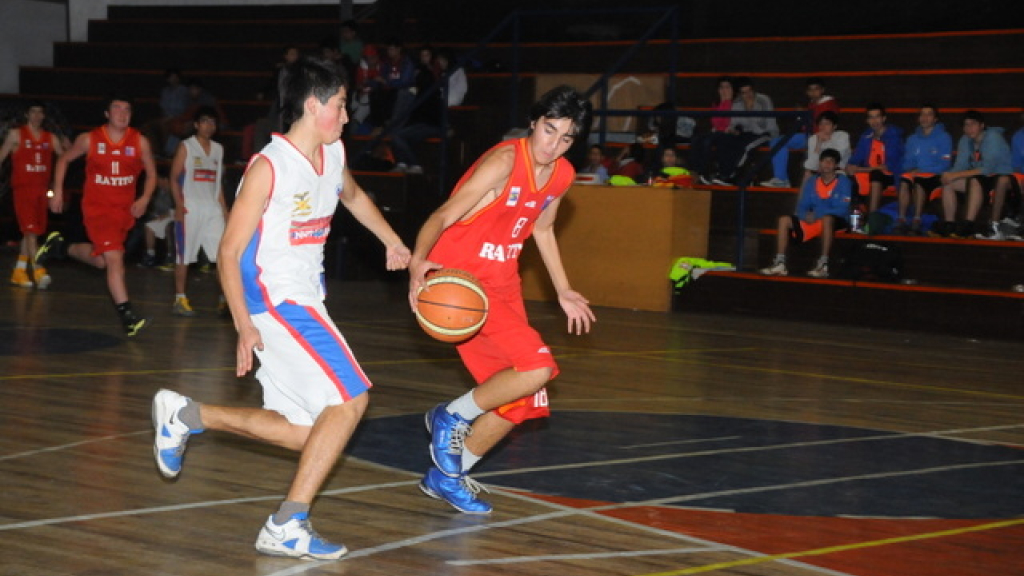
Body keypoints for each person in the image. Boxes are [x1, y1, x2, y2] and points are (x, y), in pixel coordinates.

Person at [151, 56, 411, 559]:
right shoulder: (270, 166)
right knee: (352, 400)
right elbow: (229, 250)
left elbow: (354, 197)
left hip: (306, 299)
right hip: (276, 301)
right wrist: (244, 326)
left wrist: (392, 242)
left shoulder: (332, 153)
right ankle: (287, 523)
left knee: (312, 434)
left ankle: (185, 414)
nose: (346, 114)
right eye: (340, 104)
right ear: (315, 105)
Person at [407, 85, 596, 514]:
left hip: (504, 285)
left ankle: (446, 476)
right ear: (534, 122)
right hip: (464, 285)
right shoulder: (504, 161)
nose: (554, 144)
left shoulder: (562, 173)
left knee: (521, 400)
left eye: (567, 137)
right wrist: (419, 263)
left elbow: (543, 230)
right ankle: (450, 415)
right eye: (549, 130)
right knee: (538, 367)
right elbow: (443, 214)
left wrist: (563, 288)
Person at [40, 94, 157, 336]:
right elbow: (63, 159)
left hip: (124, 211)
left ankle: (62, 247)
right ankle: (128, 317)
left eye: (127, 109)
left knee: (103, 262)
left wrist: (144, 198)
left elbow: (153, 174)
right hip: (98, 209)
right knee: (115, 260)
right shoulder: (90, 139)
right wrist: (58, 191)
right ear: (106, 114)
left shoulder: (140, 141)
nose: (122, 113)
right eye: (117, 108)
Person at [168, 106, 227, 316]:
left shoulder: (219, 149)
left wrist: (225, 212)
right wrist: (179, 205)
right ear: (196, 125)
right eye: (204, 121)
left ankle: (225, 299)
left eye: (212, 122)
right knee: (185, 256)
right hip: (190, 208)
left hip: (212, 209)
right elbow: (174, 178)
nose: (209, 126)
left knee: (223, 256)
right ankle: (180, 299)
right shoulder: (186, 146)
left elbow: (218, 183)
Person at [0, 101, 65, 288]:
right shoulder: (16, 135)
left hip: (42, 191)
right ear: (27, 115)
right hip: (23, 190)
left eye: (40, 112)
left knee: (32, 232)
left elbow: (64, 158)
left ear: (44, 116)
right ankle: (38, 270)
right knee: (31, 233)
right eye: (33, 112)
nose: (37, 116)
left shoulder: (50, 138)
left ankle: (19, 271)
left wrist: (67, 149)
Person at [759, 148, 852, 279]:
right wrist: (805, 216)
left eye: (831, 162)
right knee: (784, 220)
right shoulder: (812, 181)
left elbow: (842, 208)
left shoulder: (843, 182)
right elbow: (802, 206)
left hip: (837, 222)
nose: (827, 164)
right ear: (820, 163)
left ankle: (823, 264)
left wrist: (817, 213)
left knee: (826, 218)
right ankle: (780, 262)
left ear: (836, 165)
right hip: (815, 221)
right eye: (824, 161)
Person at [933, 110, 1013, 240]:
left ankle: (968, 224)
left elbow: (988, 168)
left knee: (974, 181)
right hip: (980, 178)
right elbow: (960, 166)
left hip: (998, 177)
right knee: (949, 182)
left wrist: (957, 174)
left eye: (973, 124)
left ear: (982, 125)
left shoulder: (993, 137)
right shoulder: (965, 140)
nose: (969, 128)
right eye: (966, 125)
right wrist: (949, 175)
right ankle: (950, 224)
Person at [761, 77, 840, 188]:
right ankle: (781, 179)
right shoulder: (811, 104)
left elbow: (825, 125)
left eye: (816, 89)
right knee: (778, 141)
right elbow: (807, 126)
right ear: (807, 92)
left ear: (822, 90)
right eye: (810, 90)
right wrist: (801, 116)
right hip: (808, 135)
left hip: (821, 137)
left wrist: (804, 115)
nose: (813, 92)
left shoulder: (829, 104)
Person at [892, 105, 952, 235]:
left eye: (929, 114)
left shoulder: (943, 137)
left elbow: (945, 164)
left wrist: (921, 170)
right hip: (917, 173)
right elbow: (907, 162)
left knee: (919, 182)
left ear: (935, 119)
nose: (925, 118)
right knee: (904, 180)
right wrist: (912, 169)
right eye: (922, 114)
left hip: (935, 175)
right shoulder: (912, 139)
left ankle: (916, 221)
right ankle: (901, 219)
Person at [845, 103, 904, 228]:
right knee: (847, 178)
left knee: (876, 175)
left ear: (884, 118)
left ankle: (871, 220)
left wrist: (861, 169)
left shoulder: (893, 136)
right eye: (871, 117)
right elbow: (856, 158)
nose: (874, 121)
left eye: (877, 117)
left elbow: (888, 166)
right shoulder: (866, 136)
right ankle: (853, 221)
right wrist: (850, 166)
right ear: (867, 120)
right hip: (870, 173)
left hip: (892, 175)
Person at [712, 76, 778, 186]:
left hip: (765, 133)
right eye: (744, 93)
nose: (748, 95)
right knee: (726, 140)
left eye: (750, 91)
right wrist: (733, 130)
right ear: (739, 94)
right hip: (746, 134)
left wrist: (750, 109)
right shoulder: (737, 103)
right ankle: (723, 173)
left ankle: (732, 174)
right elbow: (735, 123)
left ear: (753, 90)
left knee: (746, 147)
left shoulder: (764, 100)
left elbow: (765, 124)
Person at [690, 76, 735, 185]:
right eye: (721, 88)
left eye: (727, 87)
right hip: (717, 132)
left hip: (728, 133)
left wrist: (726, 102)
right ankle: (694, 171)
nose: (724, 90)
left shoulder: (735, 104)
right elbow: (715, 122)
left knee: (707, 142)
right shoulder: (716, 104)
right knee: (696, 139)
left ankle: (704, 172)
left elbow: (725, 123)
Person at [799, 111, 851, 186]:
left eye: (827, 124)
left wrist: (829, 141)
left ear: (834, 126)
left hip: (839, 169)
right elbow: (810, 165)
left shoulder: (842, 136)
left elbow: (837, 157)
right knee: (807, 173)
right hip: (820, 170)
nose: (823, 127)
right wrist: (819, 143)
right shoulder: (814, 139)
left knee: (834, 173)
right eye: (821, 124)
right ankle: (803, 198)